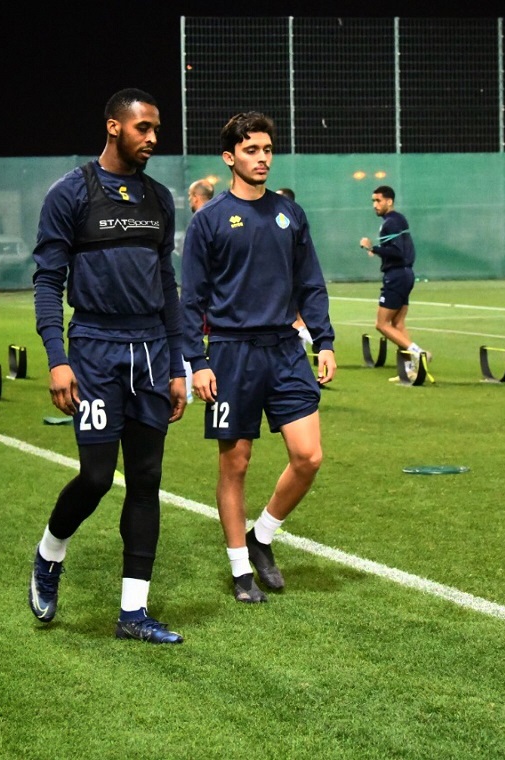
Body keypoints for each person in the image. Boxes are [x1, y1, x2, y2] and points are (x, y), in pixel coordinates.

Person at [29, 88, 187, 644]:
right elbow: (48, 281)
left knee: (146, 479)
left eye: (156, 129)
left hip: (149, 352)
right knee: (97, 478)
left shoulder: (160, 199)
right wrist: (57, 359)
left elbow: (168, 286)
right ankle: (50, 552)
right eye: (143, 128)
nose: (152, 138)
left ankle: (134, 614)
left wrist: (177, 365)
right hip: (94, 349)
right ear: (114, 127)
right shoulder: (70, 193)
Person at [180, 111, 336, 603]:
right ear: (230, 158)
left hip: (287, 350)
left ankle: (262, 536)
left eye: (267, 150)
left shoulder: (291, 214)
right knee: (237, 464)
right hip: (230, 354)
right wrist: (197, 360)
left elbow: (310, 282)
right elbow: (191, 299)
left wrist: (324, 340)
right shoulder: (208, 221)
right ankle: (240, 569)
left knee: (308, 457)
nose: (262, 158)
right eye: (251, 150)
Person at [359, 185, 431, 382]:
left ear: (389, 201)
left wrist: (372, 247)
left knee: (381, 324)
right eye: (373, 201)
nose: (375, 205)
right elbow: (400, 248)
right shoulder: (398, 219)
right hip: (406, 274)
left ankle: (418, 352)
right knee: (398, 323)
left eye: (378, 201)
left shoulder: (390, 222)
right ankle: (408, 370)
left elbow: (397, 251)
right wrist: (379, 250)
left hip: (397, 276)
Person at [183, 178, 216, 401]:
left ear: (195, 198)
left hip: (205, 297)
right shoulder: (220, 216)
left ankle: (188, 389)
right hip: (220, 298)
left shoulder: (200, 221)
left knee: (186, 336)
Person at [277, 187, 313, 348]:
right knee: (296, 315)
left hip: (286, 274)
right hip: (294, 273)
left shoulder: (283, 220)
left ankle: (313, 340)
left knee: (291, 316)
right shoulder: (297, 218)